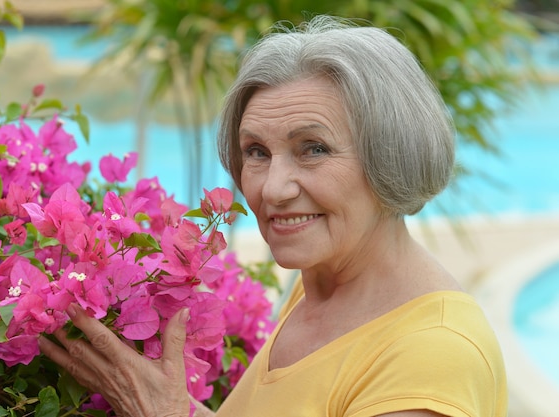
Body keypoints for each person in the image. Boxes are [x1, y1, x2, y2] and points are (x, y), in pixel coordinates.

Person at [38, 15, 507, 417]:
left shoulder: (433, 357)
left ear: (391, 157)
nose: (272, 188)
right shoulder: (320, 283)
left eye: (314, 149)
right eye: (256, 152)